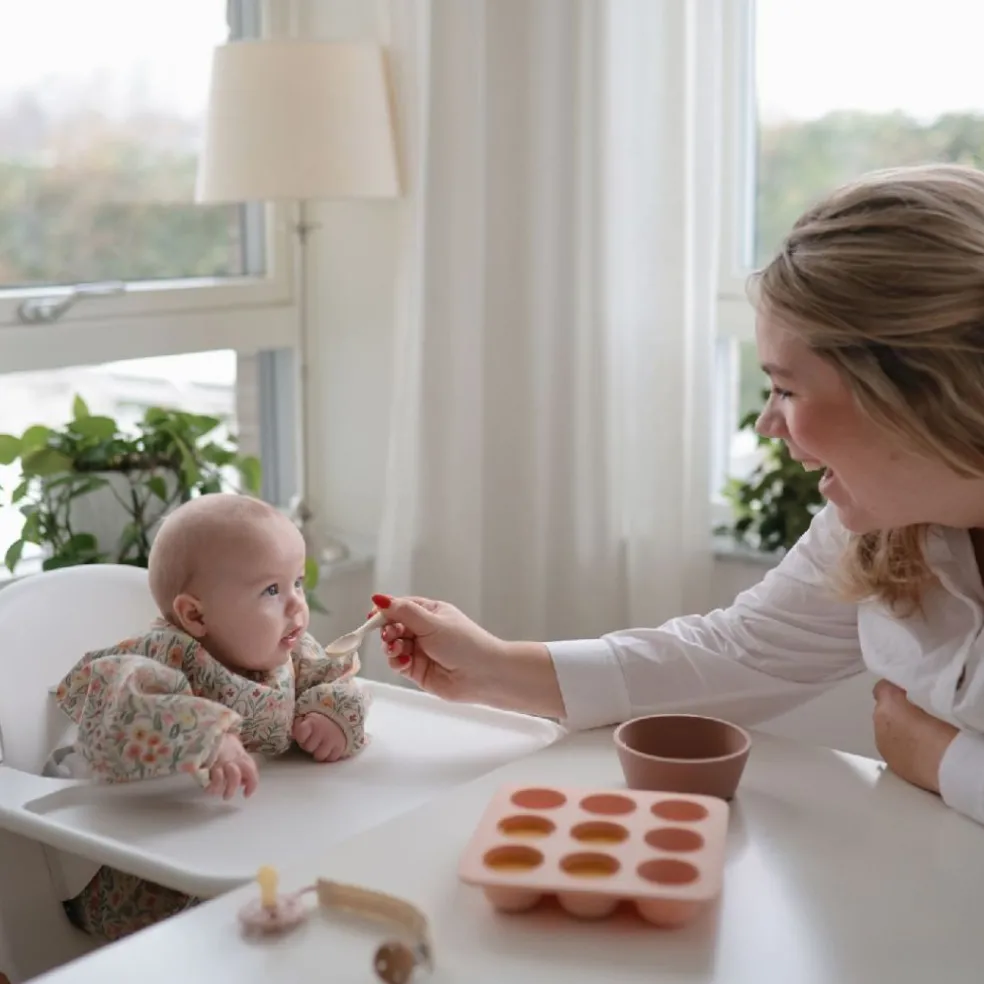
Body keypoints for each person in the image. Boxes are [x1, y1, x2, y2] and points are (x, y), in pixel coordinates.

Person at [371, 162, 984, 830]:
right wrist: (494, 668)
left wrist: (942, 760)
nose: (768, 424)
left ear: (917, 391)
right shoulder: (881, 528)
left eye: (787, 389)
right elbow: (738, 654)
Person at [48, 493, 371, 941]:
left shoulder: (288, 650)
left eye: (297, 582)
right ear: (195, 615)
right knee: (214, 939)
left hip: (253, 830)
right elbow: (119, 708)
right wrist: (207, 735)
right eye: (271, 590)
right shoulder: (167, 655)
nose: (297, 605)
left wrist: (331, 714)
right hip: (153, 865)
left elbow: (335, 678)